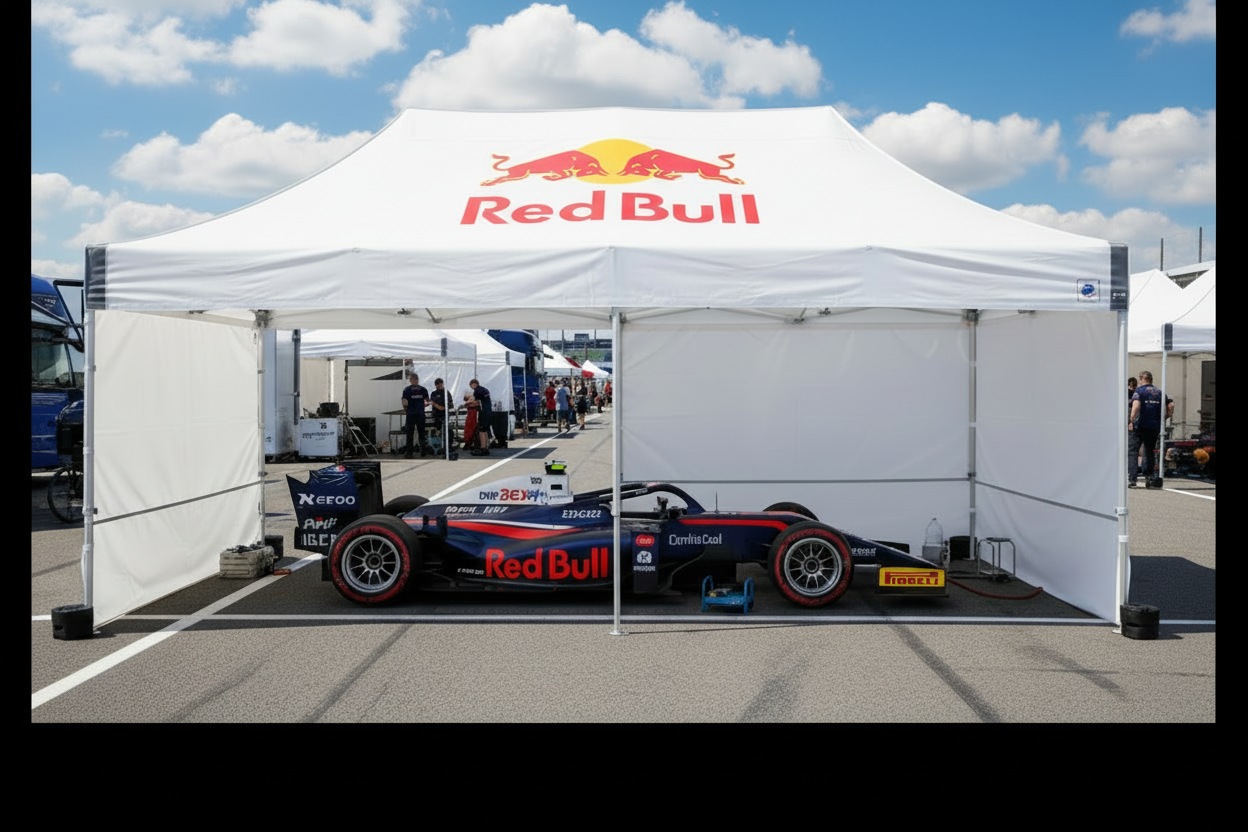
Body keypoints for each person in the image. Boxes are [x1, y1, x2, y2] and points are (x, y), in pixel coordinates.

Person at [1129, 370, 1174, 488]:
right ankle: (1148, 478)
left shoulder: (1139, 391)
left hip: (1140, 425)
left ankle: (1132, 479)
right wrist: (1165, 417)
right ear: (1151, 380)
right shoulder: (1159, 392)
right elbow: (1171, 405)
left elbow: (1136, 405)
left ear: (1141, 379)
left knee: (1133, 451)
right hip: (1154, 425)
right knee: (1149, 451)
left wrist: (1131, 420)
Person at [400, 372, 432, 459]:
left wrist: (406, 408)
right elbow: (427, 402)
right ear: (417, 380)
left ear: (411, 380)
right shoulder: (423, 389)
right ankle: (423, 451)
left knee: (410, 434)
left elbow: (405, 402)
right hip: (420, 414)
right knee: (421, 433)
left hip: (411, 414)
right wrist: (420, 405)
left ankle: (409, 453)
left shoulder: (407, 390)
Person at [468, 379, 493, 455]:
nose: (473, 387)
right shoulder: (484, 389)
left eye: (473, 385)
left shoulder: (477, 390)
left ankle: (483, 448)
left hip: (484, 412)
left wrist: (464, 404)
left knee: (481, 430)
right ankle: (485, 446)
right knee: (485, 429)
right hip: (488, 411)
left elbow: (473, 400)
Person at [430, 378, 449, 454]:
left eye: (440, 383)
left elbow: (448, 405)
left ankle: (445, 446)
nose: (439, 385)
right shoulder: (433, 393)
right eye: (437, 384)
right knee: (436, 430)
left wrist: (438, 406)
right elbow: (431, 402)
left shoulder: (446, 393)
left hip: (444, 414)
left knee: (444, 431)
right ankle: (437, 445)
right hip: (436, 415)